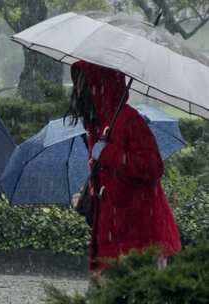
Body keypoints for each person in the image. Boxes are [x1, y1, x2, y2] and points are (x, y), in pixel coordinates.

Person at [66, 61, 182, 277]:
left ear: (100, 84)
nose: (78, 90)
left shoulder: (129, 120)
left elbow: (153, 167)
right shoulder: (96, 124)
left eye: (84, 83)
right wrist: (90, 196)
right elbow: (109, 177)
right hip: (112, 237)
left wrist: (110, 154)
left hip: (141, 236)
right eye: (78, 83)